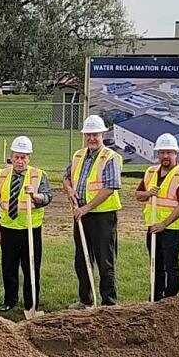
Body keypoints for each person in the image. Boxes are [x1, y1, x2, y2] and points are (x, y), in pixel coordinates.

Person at [64, 115, 123, 308]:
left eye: (95, 134)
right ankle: (85, 300)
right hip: (81, 215)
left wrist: (86, 208)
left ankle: (109, 303)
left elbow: (110, 187)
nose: (91, 138)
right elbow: (66, 177)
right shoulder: (78, 155)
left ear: (103, 134)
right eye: (88, 134)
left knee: (105, 261)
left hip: (103, 216)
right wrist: (69, 189)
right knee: (82, 259)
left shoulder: (110, 157)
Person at [0, 136, 51, 312]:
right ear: (11, 157)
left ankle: (31, 303)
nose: (20, 161)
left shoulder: (39, 176)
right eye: (16, 157)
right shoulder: (1, 175)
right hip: (8, 229)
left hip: (31, 229)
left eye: (23, 157)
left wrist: (35, 196)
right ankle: (10, 299)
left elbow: (48, 197)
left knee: (31, 267)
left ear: (29, 158)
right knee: (8, 267)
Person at [135, 133, 179, 301]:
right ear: (158, 154)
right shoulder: (151, 172)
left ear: (176, 153)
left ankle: (171, 300)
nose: (165, 156)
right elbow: (138, 195)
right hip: (152, 226)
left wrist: (164, 224)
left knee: (171, 265)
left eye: (169, 152)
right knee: (155, 263)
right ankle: (155, 296)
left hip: (172, 228)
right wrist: (147, 193)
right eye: (162, 152)